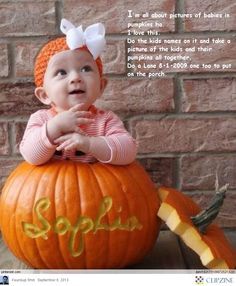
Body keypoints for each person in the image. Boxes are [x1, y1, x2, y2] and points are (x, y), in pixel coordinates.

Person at [20, 19, 136, 165]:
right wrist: (55, 127)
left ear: (101, 86)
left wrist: (89, 144)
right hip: (49, 186)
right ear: (44, 95)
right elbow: (31, 156)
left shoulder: (105, 121)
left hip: (96, 186)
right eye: (61, 72)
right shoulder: (41, 120)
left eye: (85, 69)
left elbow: (129, 152)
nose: (76, 78)